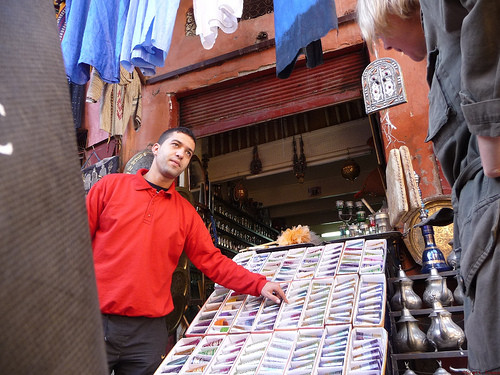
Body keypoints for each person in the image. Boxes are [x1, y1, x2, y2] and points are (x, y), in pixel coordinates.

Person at [356, 0, 500, 372]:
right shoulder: (437, 44)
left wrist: (491, 126)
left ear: (398, 9)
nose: (385, 46)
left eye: (382, 32)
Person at [86, 126, 288, 375]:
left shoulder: (186, 214)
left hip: (148, 333)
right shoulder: (110, 187)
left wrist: (259, 284)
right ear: (156, 149)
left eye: (188, 152)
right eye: (175, 145)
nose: (181, 154)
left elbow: (212, 261)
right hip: (94, 320)